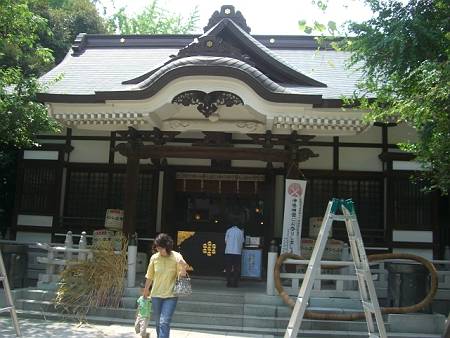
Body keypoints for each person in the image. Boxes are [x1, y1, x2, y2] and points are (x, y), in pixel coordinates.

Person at [143, 233, 187, 338]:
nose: (160, 251)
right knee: (158, 323)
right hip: (156, 295)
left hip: (171, 295)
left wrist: (183, 267)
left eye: (162, 248)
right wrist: (145, 291)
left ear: (168, 247)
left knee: (164, 322)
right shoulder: (154, 258)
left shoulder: (176, 257)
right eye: (158, 248)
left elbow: (182, 276)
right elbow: (150, 276)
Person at [224, 213, 245, 287]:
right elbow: (242, 242)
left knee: (228, 268)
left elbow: (226, 241)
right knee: (236, 269)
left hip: (229, 252)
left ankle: (228, 282)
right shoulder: (240, 232)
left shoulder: (228, 231)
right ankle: (235, 283)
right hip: (237, 253)